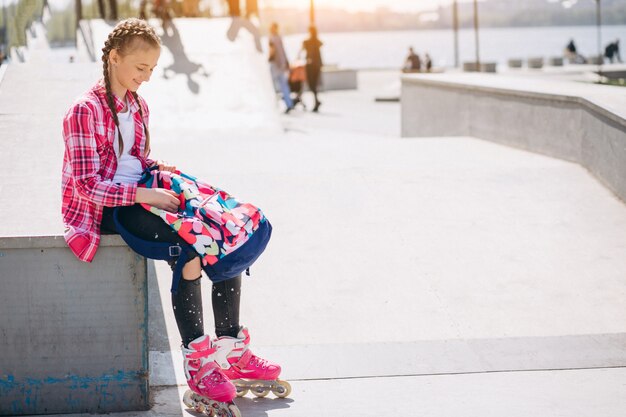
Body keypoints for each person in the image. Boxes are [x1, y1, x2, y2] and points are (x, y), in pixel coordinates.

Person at [61, 18, 287, 414]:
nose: (146, 77)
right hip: (109, 208)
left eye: (151, 70)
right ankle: (199, 364)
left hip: (144, 191)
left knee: (221, 228)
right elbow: (86, 185)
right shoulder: (84, 111)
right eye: (140, 68)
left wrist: (162, 173)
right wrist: (144, 192)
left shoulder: (137, 104)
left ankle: (231, 349)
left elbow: (135, 158)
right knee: (191, 250)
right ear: (114, 58)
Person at [268, 22, 294, 113]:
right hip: (281, 65)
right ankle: (289, 104)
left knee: (271, 85)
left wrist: (269, 59)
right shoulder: (279, 37)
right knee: (284, 86)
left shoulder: (272, 38)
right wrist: (286, 62)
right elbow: (283, 50)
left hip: (275, 65)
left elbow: (272, 51)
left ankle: (273, 106)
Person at [300, 25, 323, 112]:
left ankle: (317, 101)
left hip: (311, 65)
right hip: (317, 65)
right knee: (313, 85)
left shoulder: (307, 42)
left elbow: (303, 48)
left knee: (311, 84)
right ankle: (317, 101)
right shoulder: (316, 41)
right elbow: (321, 44)